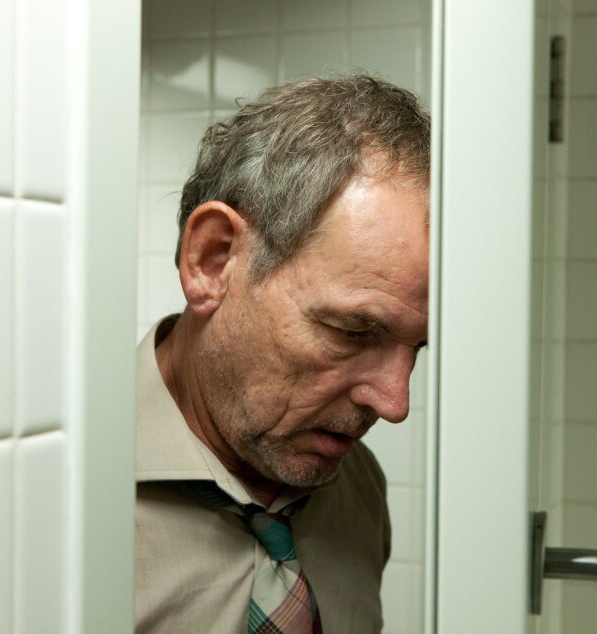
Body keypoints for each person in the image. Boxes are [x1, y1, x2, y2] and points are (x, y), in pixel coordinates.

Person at [135, 74, 430, 633]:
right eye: (352, 331)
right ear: (213, 260)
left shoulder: (358, 488)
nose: (395, 403)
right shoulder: (58, 493)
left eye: (417, 347)